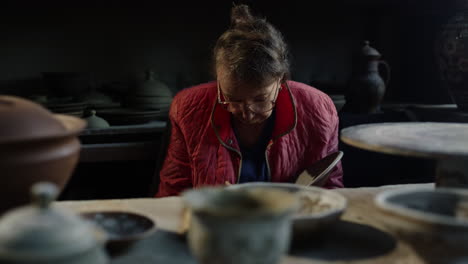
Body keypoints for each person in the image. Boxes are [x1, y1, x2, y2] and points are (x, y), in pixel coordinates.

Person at [156, 4, 343, 197]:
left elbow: (330, 190)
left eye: (261, 99)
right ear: (218, 80)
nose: (247, 112)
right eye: (232, 99)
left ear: (280, 81)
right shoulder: (188, 107)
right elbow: (172, 192)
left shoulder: (318, 109)